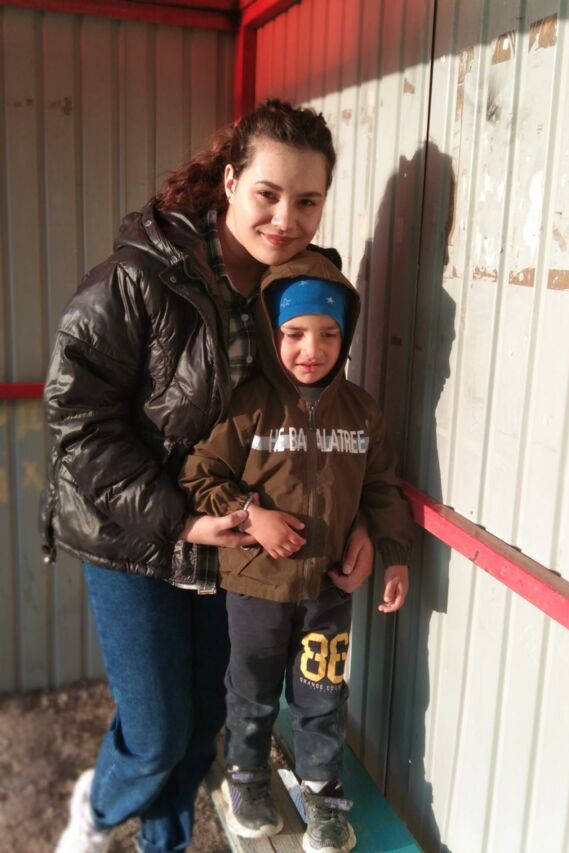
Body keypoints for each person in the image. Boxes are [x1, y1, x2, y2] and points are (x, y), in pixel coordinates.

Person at [42, 99, 375, 853]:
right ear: (229, 182)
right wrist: (182, 519)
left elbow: (319, 422)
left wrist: (357, 519)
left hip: (230, 536)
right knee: (156, 734)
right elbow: (77, 418)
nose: (285, 218)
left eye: (308, 200)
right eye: (267, 193)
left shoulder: (297, 291)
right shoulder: (140, 276)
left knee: (201, 725)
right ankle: (97, 810)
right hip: (132, 534)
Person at [180, 249, 415, 853]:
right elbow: (200, 475)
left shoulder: (361, 412)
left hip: (330, 589)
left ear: (346, 336)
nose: (312, 349)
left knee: (322, 692)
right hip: (256, 587)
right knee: (252, 689)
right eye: (295, 334)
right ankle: (247, 778)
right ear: (271, 334)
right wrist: (251, 516)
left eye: (329, 334)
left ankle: (324, 795)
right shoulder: (249, 406)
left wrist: (392, 551)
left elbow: (381, 485)